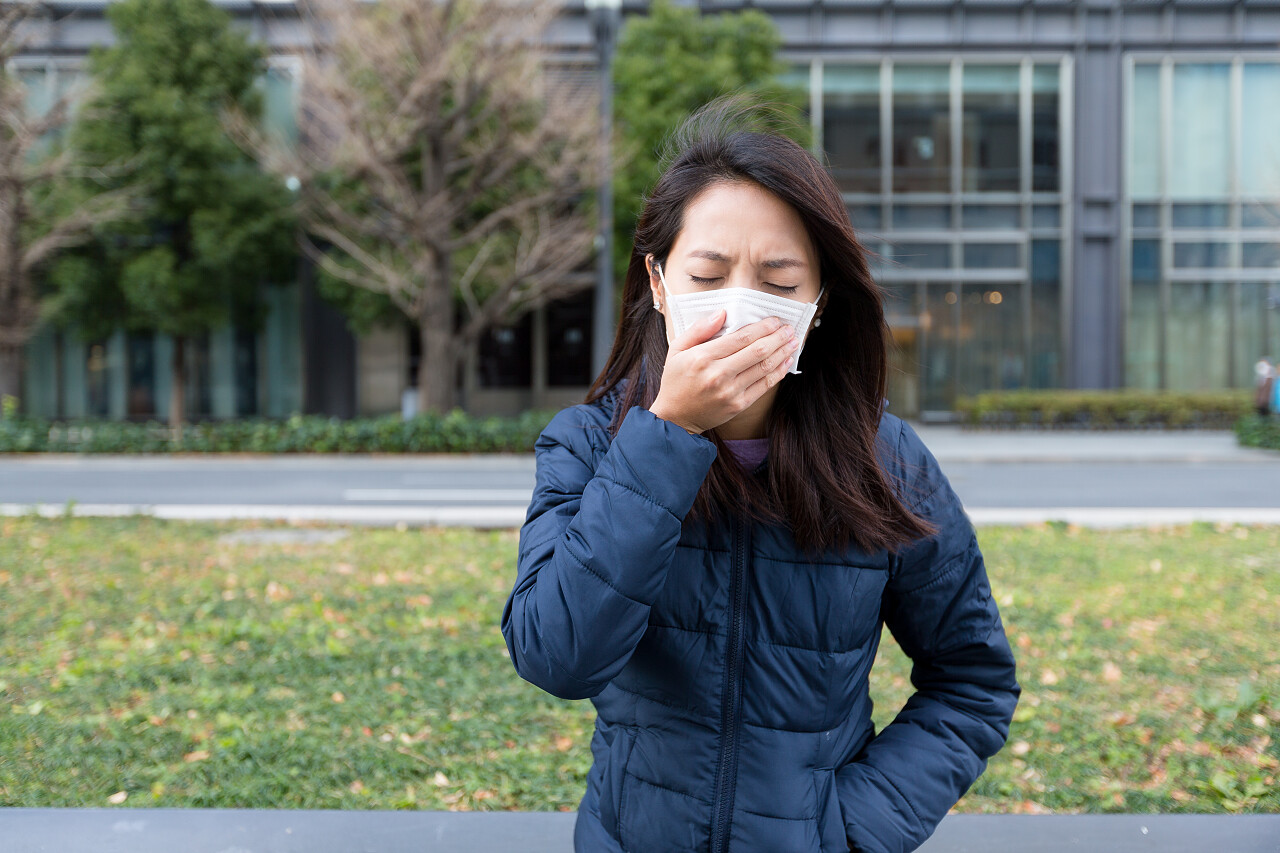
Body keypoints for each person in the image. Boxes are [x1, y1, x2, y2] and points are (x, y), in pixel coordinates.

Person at [501, 98, 1020, 853]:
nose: (740, 307)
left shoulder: (888, 459)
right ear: (658, 280)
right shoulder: (589, 443)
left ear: (818, 304)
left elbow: (973, 678)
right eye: (707, 274)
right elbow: (557, 656)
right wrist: (667, 435)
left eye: (779, 282)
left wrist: (852, 827)